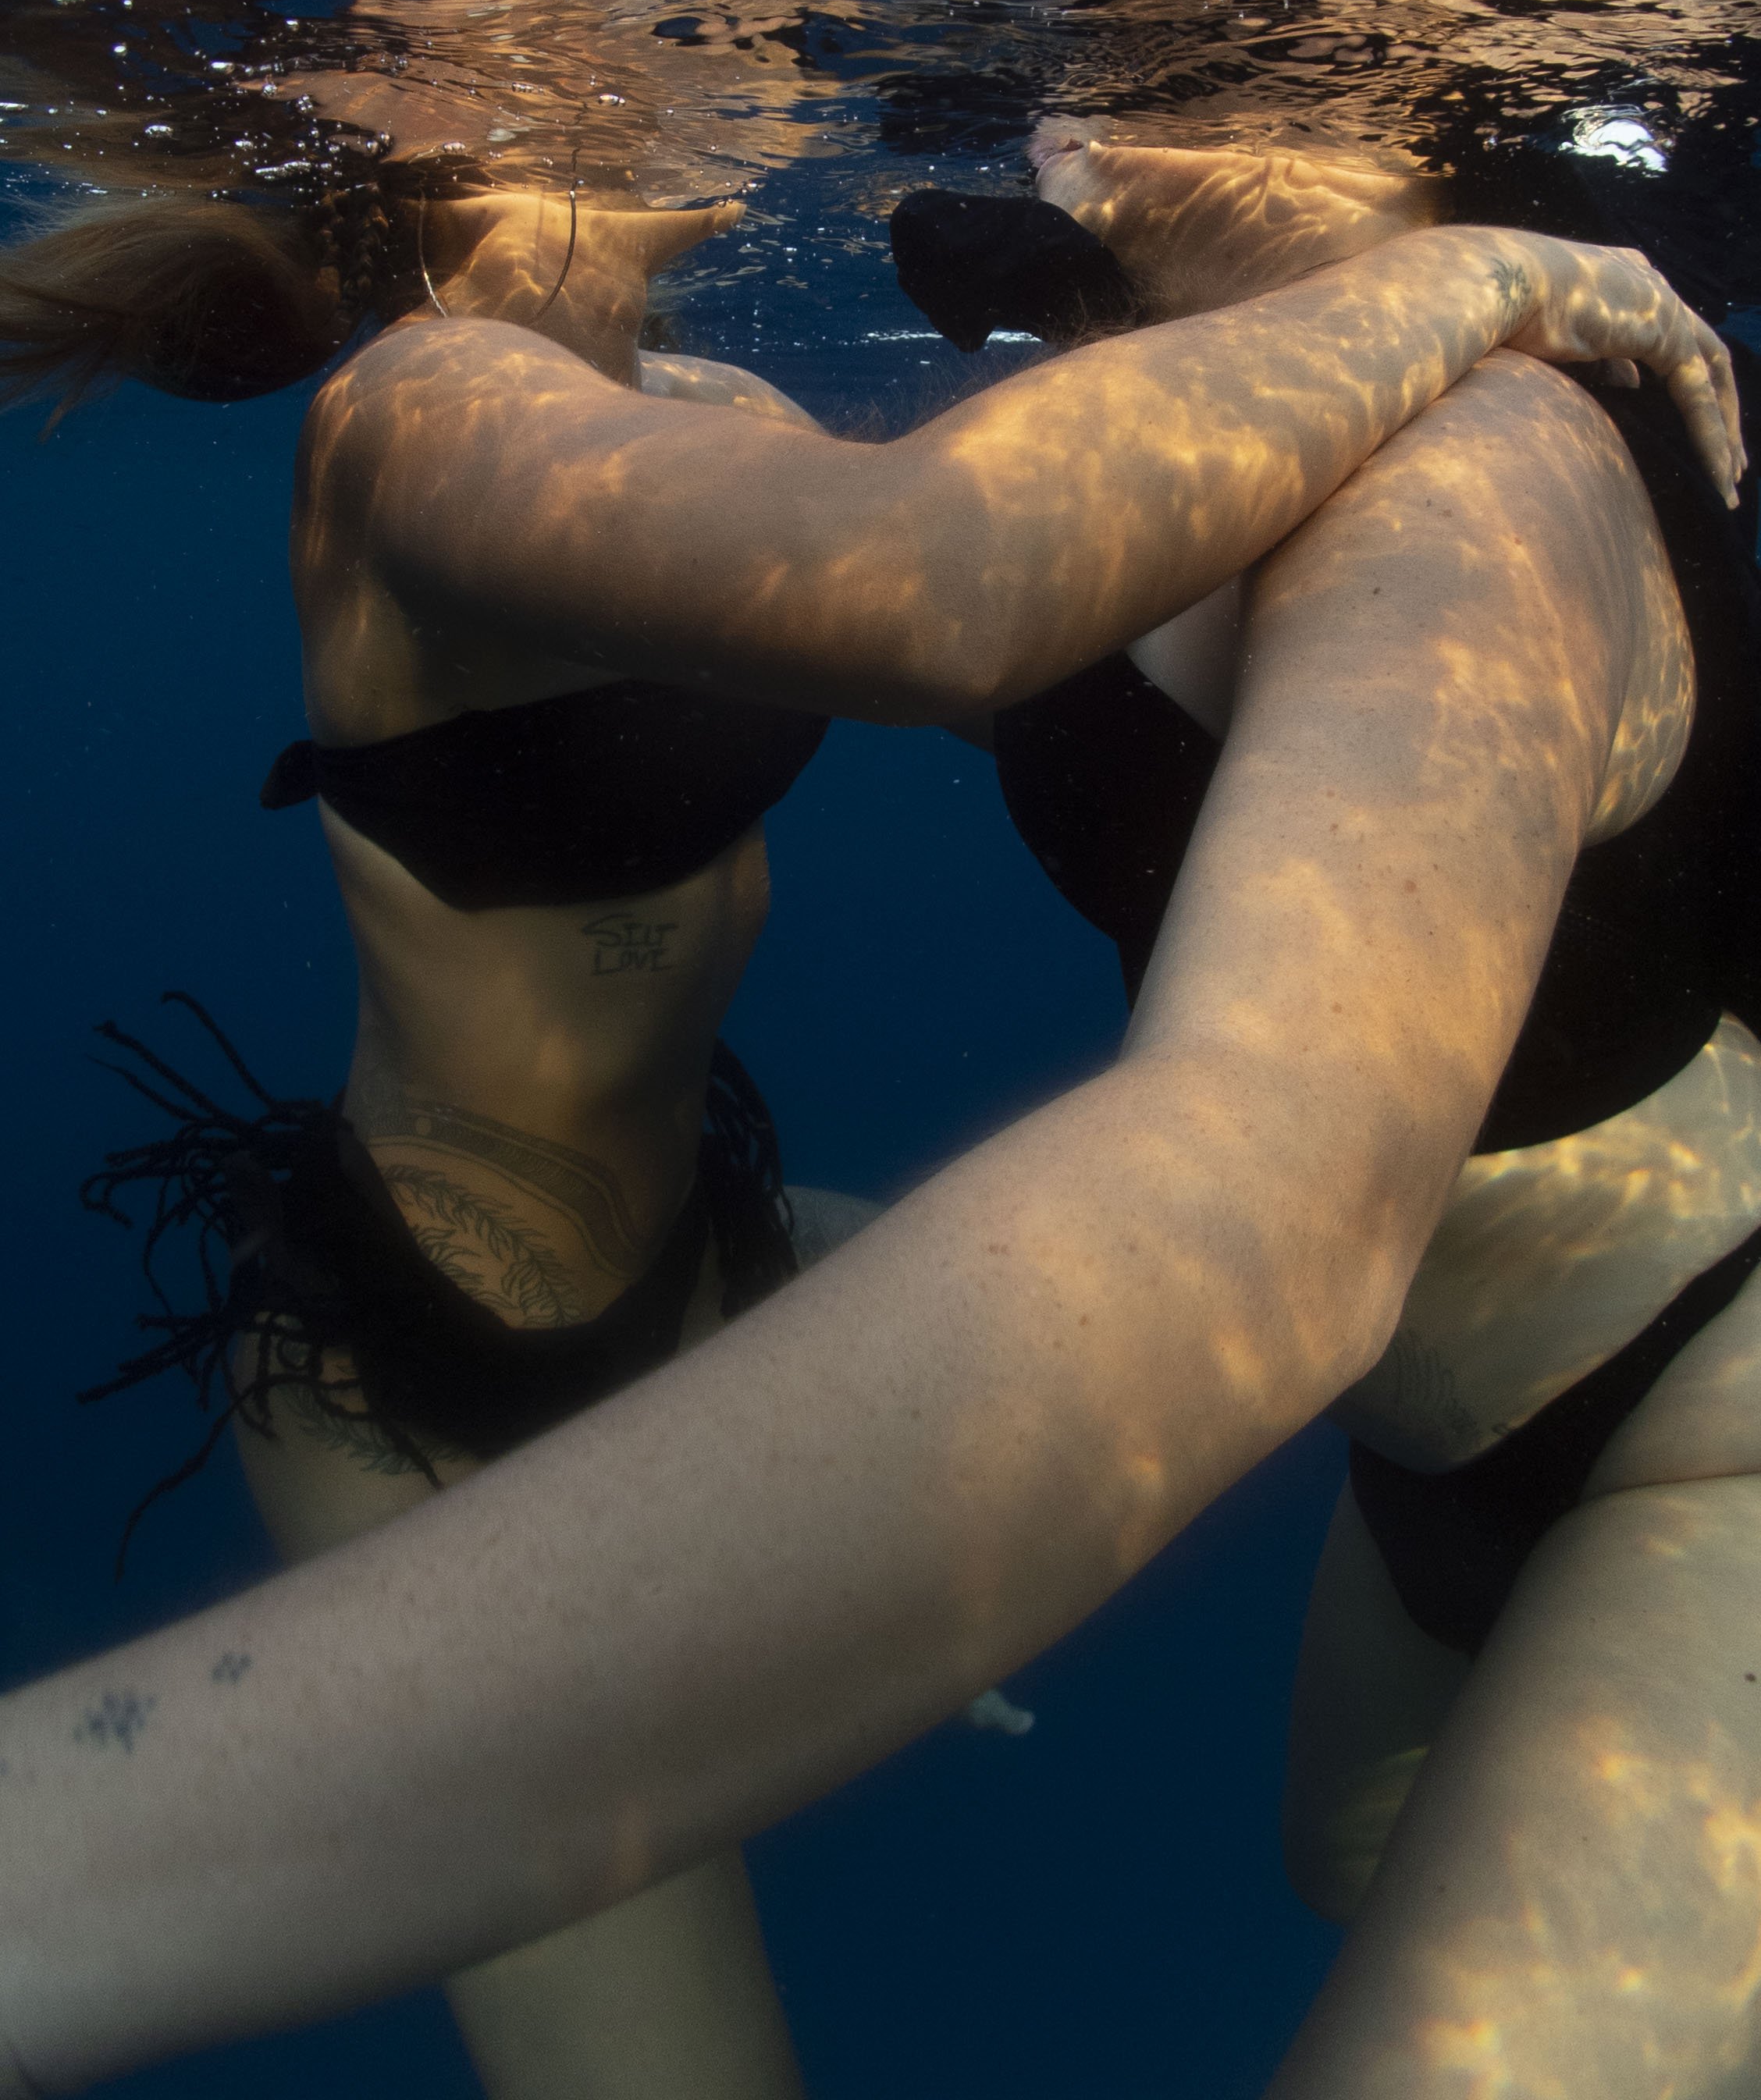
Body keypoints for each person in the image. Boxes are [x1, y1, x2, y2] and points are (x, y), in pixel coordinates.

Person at [0, 137, 1739, 2095]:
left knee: (1364, 1851)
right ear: (496, 137)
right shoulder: (429, 402)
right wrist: (1473, 281)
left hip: (696, 1244)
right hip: (435, 1345)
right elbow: (950, 574)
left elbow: (1065, 567)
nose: (737, 82)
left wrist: (909, 1523)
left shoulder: (691, 413)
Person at [922, 121, 1761, 2098]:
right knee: (1347, 1867)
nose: (1067, 122)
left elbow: (1258, 1181)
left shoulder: (1499, 465)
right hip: (1420, 1453)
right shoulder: (1137, 411)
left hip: (1714, 1406)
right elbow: (918, 612)